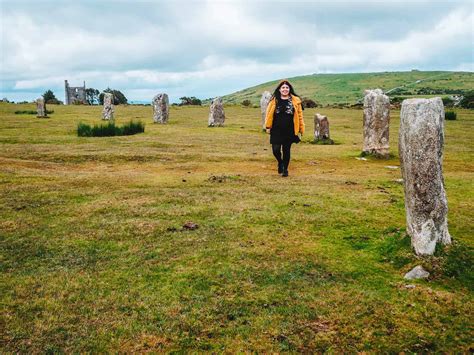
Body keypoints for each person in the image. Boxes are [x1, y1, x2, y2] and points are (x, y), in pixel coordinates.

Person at [264, 80, 305, 177]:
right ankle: (280, 162)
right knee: (275, 150)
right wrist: (267, 126)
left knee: (286, 150)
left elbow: (299, 116)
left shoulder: (295, 101)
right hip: (276, 129)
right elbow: (268, 114)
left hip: (289, 129)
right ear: (279, 89)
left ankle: (285, 169)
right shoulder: (274, 100)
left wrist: (301, 128)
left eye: (287, 88)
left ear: (289, 89)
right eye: (283, 88)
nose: (285, 89)